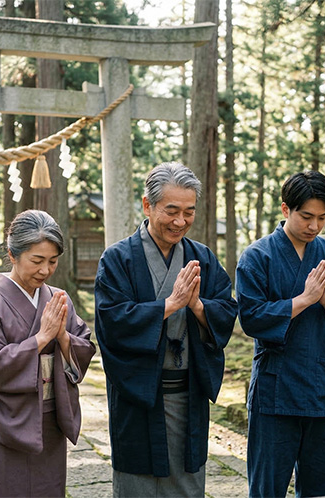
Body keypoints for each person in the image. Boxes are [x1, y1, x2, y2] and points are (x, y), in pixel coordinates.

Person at [94, 162, 237, 497]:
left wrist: (197, 306)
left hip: (188, 395)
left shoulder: (202, 258)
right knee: (137, 483)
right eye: (171, 211)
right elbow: (111, 322)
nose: (180, 221)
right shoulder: (118, 259)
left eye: (189, 212)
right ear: (148, 205)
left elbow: (226, 310)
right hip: (139, 395)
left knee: (187, 483)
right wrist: (169, 305)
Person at [236, 170, 325, 498]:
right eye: (307, 216)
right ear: (286, 209)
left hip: (322, 388)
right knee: (267, 487)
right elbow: (251, 318)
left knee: (322, 488)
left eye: (322, 218)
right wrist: (305, 299)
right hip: (276, 390)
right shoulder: (258, 256)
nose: (314, 226)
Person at [0, 210, 96, 497]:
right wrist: (41, 338)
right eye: (37, 261)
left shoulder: (58, 298)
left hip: (48, 419)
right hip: (2, 422)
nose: (45, 270)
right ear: (12, 254)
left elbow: (83, 349)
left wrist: (62, 337)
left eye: (52, 261)